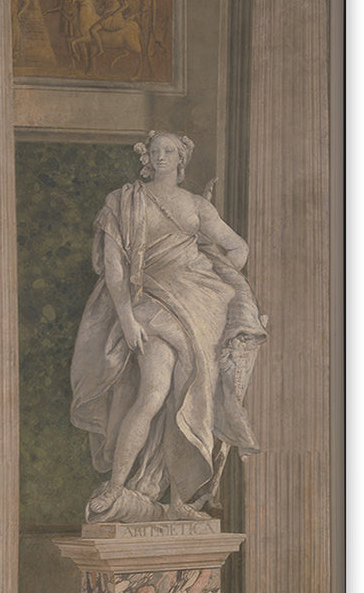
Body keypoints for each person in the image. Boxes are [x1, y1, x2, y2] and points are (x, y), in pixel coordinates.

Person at [71, 130, 267, 522]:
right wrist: (127, 318)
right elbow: (114, 266)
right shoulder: (123, 200)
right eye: (155, 150)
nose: (161, 156)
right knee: (152, 395)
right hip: (148, 303)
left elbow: (237, 246)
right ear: (145, 157)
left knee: (186, 396)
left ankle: (178, 501)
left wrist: (215, 272)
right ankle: (117, 486)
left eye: (169, 151)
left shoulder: (196, 206)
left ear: (181, 159)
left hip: (199, 306)